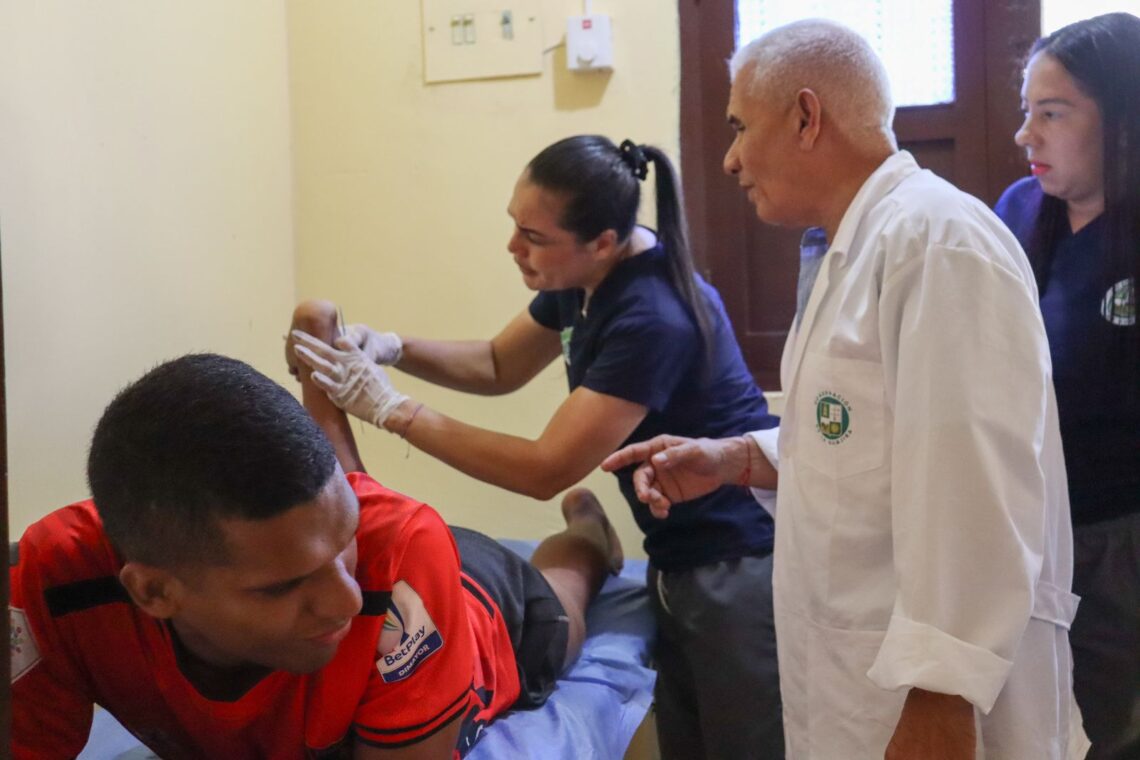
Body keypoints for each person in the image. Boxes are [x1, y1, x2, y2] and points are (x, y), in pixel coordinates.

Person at [603, 19, 1088, 759]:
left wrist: (939, 698)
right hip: (853, 693)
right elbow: (859, 439)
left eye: (740, 127)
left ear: (806, 116)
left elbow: (974, 486)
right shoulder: (848, 254)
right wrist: (735, 457)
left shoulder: (938, 244)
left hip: (933, 712)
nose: (730, 158)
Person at [290, 136, 785, 758]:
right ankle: (590, 534)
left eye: (534, 236)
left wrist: (391, 408)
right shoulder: (586, 274)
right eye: (514, 225)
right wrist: (392, 347)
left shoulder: (652, 315)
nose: (513, 246)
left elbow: (545, 468)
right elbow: (499, 363)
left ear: (602, 241)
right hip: (677, 553)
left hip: (735, 558)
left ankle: (589, 538)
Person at [10, 302, 622, 759]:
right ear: (151, 592)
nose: (347, 601)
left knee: (562, 597)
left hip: (480, 597)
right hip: (360, 538)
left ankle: (592, 536)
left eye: (339, 551)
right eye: (280, 586)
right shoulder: (51, 579)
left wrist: (338, 549)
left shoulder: (389, 567)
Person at [993, 13, 1140, 759]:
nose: (1028, 136)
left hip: (1118, 541)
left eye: (1051, 114)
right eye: (1028, 114)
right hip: (1022, 534)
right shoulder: (1017, 213)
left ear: (1122, 120)